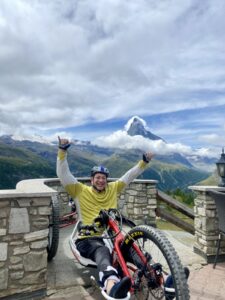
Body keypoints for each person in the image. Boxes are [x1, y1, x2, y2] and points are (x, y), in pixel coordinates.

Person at [56, 136, 154, 299]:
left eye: (103, 178)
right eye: (98, 177)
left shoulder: (113, 189)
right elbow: (63, 173)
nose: (101, 180)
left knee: (132, 248)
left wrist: (144, 161)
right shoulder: (80, 190)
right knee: (102, 251)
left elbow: (129, 175)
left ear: (107, 180)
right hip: (89, 238)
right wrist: (62, 151)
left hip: (112, 235)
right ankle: (111, 284)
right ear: (92, 179)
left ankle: (159, 277)